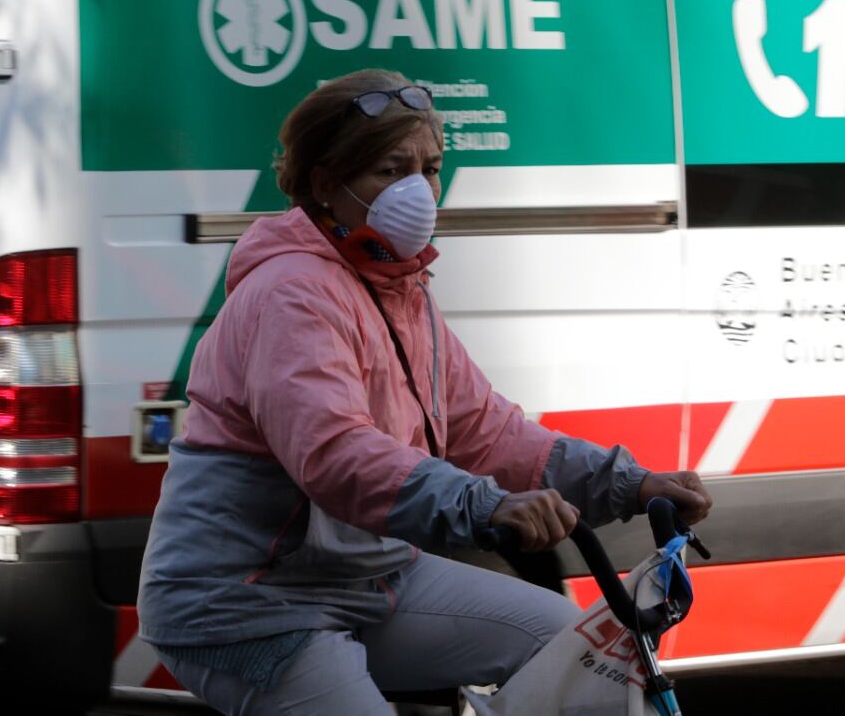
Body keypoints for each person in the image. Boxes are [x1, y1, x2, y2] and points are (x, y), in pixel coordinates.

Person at [137, 69, 713, 715]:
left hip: (369, 577)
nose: (418, 190)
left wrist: (632, 484)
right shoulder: (292, 293)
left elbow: (489, 432)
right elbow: (334, 453)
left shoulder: (398, 290)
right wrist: (484, 505)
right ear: (325, 185)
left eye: (429, 169)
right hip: (247, 602)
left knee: (573, 646)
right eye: (390, 170)